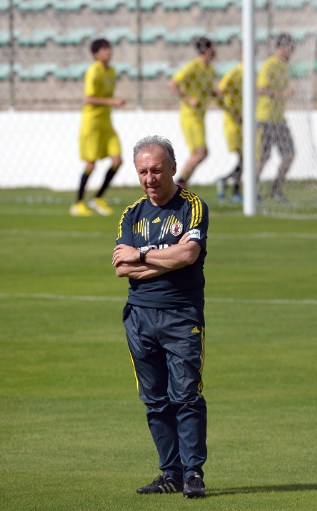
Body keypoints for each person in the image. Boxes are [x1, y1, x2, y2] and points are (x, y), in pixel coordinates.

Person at [112, 135, 209, 499]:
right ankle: (170, 472)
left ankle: (193, 473)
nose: (150, 178)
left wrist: (142, 256)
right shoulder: (132, 214)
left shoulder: (192, 207)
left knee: (186, 395)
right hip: (138, 316)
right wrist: (160, 256)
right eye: (142, 172)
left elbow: (188, 256)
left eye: (156, 170)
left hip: (181, 316)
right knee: (154, 400)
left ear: (172, 167)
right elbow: (122, 268)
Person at [70, 38, 125, 217]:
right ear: (96, 54)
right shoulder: (93, 71)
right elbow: (88, 98)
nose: (108, 52)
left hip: (106, 123)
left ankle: (98, 197)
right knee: (91, 164)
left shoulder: (112, 71)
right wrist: (112, 101)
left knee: (117, 160)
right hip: (92, 123)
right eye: (104, 49)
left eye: (109, 48)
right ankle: (78, 203)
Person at [170, 37, 217, 189]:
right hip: (190, 115)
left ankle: (181, 184)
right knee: (200, 152)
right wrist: (188, 99)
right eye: (212, 48)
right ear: (206, 50)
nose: (215, 52)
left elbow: (208, 88)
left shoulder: (209, 70)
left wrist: (216, 93)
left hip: (200, 116)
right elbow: (174, 83)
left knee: (201, 153)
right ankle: (178, 184)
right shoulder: (193, 66)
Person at [255, 33, 296, 203]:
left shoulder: (285, 66)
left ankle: (276, 190)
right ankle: (253, 191)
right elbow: (261, 88)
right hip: (265, 118)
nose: (292, 51)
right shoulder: (269, 65)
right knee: (263, 158)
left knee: (289, 154)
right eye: (290, 48)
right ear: (281, 47)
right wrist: (281, 94)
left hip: (279, 119)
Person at [215, 61, 244, 201]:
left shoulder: (251, 74)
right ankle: (232, 187)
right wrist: (230, 111)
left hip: (245, 122)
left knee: (245, 159)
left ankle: (228, 183)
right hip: (233, 123)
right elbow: (219, 91)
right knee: (244, 158)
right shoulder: (234, 72)